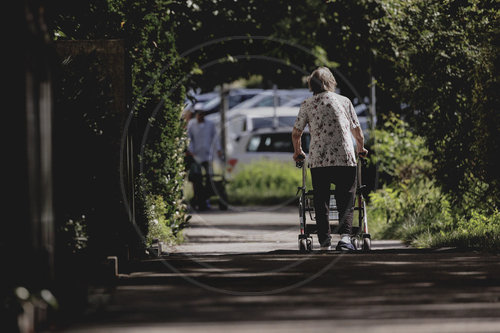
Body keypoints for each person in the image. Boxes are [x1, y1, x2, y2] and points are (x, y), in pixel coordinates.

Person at [292, 67, 368, 251]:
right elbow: (357, 131)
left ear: (312, 85)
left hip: (319, 160)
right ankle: (345, 238)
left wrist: (298, 152)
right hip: (344, 157)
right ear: (330, 82)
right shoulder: (344, 101)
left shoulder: (307, 104)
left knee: (321, 200)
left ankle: (324, 242)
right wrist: (361, 148)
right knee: (346, 198)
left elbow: (296, 133)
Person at [187, 109, 222, 211]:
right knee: (196, 178)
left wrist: (218, 149)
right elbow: (189, 138)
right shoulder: (191, 124)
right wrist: (191, 150)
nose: (200, 117)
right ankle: (197, 197)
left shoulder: (210, 124)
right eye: (198, 115)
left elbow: (215, 137)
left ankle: (206, 197)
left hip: (207, 155)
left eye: (202, 114)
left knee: (208, 177)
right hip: (196, 155)